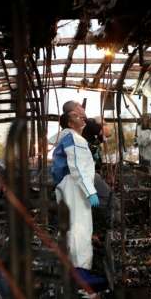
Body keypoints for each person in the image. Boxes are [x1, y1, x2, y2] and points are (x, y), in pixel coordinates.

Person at [51, 110, 99, 270]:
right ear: (70, 124)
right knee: (80, 228)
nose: (82, 117)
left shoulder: (66, 137)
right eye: (77, 117)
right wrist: (90, 191)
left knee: (70, 227)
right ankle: (81, 275)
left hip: (68, 185)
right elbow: (77, 166)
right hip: (74, 185)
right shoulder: (74, 138)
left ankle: (68, 269)